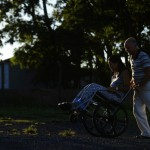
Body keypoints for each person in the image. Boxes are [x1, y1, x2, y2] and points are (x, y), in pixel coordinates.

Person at [58, 54, 131, 111]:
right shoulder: (114, 75)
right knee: (88, 86)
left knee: (92, 86)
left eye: (110, 64)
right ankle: (74, 104)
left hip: (117, 98)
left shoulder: (125, 72)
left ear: (117, 63)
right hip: (111, 94)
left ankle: (75, 105)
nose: (110, 66)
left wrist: (116, 88)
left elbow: (127, 88)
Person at [124, 37, 150, 139]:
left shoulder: (143, 56)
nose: (127, 50)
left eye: (128, 48)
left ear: (135, 46)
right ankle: (146, 133)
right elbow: (135, 71)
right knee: (137, 110)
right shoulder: (132, 57)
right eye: (126, 48)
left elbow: (148, 72)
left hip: (146, 86)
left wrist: (141, 84)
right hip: (138, 87)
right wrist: (132, 81)